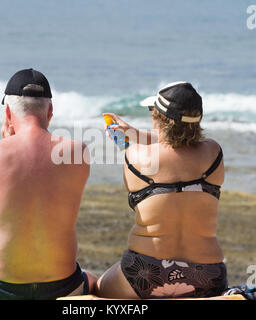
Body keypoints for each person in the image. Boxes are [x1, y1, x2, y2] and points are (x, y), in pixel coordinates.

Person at [0, 68, 96, 300]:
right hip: (65, 286)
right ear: (51, 111)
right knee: (92, 280)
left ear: (7, 111)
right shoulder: (77, 152)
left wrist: (7, 145)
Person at [96, 82, 227, 299]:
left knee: (96, 288)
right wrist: (136, 134)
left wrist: (130, 138)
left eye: (152, 112)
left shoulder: (135, 156)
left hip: (146, 272)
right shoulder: (214, 153)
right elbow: (183, 146)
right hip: (207, 275)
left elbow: (162, 152)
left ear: (162, 119)